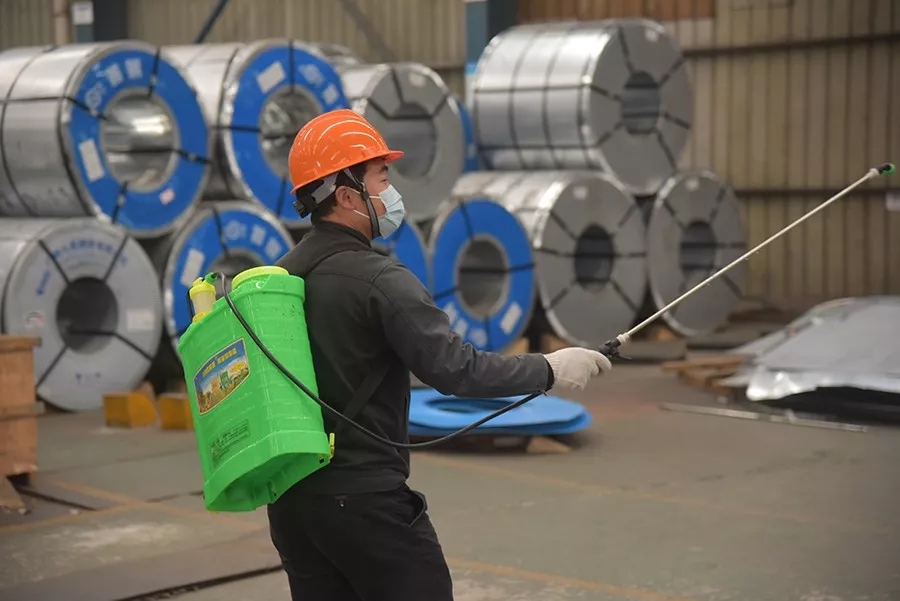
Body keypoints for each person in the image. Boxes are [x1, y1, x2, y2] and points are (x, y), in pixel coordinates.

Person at [267, 108, 613, 601]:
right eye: (382, 177)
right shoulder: (379, 279)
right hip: (364, 503)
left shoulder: (279, 279)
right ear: (346, 195)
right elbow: (455, 369)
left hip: (292, 505)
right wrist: (550, 369)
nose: (391, 192)